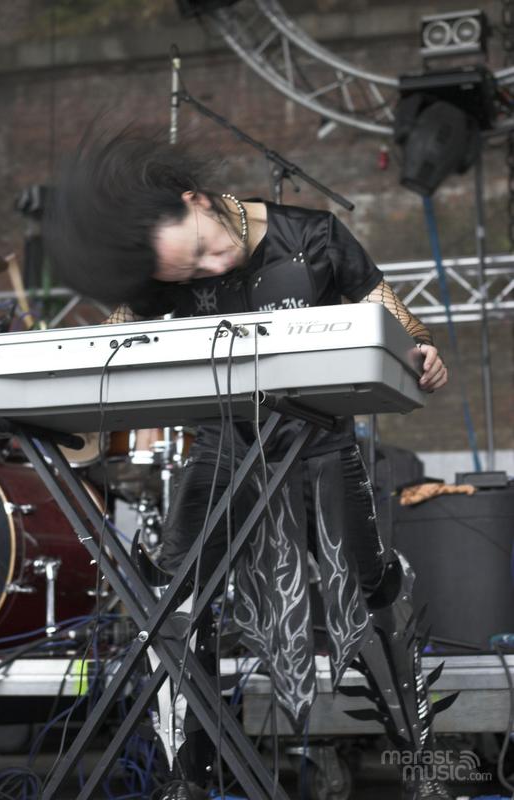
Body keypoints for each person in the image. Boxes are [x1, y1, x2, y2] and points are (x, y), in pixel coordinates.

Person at [45, 127, 452, 800]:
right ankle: (187, 781)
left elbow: (401, 329)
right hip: (222, 450)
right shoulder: (151, 281)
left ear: (197, 198)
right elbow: (109, 359)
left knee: (370, 593)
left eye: (203, 251)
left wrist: (424, 353)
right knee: (173, 600)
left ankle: (424, 769)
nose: (208, 270)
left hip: (320, 446)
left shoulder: (313, 236)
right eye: (188, 274)